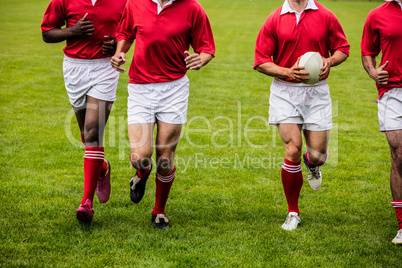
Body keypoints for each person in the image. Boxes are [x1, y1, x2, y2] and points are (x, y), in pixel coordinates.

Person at [111, 0, 215, 229]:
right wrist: (119, 53)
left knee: (165, 159)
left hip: (174, 89)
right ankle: (142, 172)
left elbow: (207, 48)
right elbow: (125, 34)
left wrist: (201, 59)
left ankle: (159, 210)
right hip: (140, 87)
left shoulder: (193, 7)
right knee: (140, 157)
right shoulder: (135, 4)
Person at [254, 0, 349, 230]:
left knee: (318, 154)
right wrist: (287, 72)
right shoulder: (274, 19)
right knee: (293, 149)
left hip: (317, 92)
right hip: (285, 91)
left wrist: (330, 61)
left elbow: (343, 49)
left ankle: (312, 164)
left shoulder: (326, 15)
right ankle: (293, 212)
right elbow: (260, 61)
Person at [41, 0, 127, 223]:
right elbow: (47, 33)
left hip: (104, 68)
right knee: (86, 134)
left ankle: (86, 203)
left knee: (92, 133)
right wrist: (73, 31)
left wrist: (116, 45)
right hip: (74, 68)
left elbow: (131, 32)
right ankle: (102, 166)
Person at [361, 0, 402, 245]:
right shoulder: (377, 14)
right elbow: (367, 52)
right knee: (399, 153)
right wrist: (373, 72)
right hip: (392, 91)